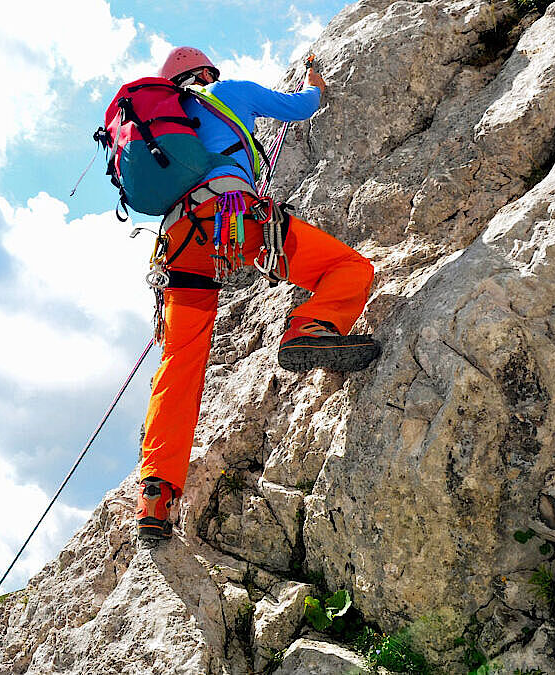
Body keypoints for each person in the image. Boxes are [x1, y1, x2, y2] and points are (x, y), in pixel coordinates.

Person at [136, 47, 380, 542]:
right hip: (233, 218)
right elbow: (303, 106)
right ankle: (310, 326)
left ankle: (155, 498)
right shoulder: (228, 92)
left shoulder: (157, 128)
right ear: (205, 73)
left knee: (179, 366)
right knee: (348, 268)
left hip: (178, 246)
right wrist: (314, 78)